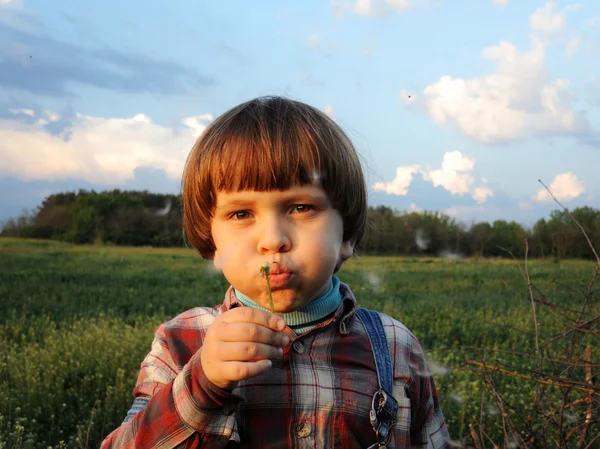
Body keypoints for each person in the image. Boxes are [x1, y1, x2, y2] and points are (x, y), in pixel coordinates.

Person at [100, 96, 450, 448]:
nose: (272, 240)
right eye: (241, 214)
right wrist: (202, 382)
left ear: (347, 236)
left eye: (301, 207)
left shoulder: (394, 346)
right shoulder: (181, 344)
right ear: (213, 243)